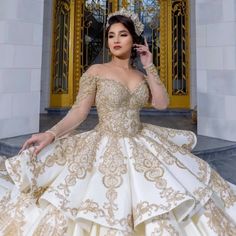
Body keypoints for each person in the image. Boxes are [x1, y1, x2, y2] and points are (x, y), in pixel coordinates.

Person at [0, 8, 235, 236]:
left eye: (123, 34)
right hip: (105, 143)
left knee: (155, 198)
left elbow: (162, 103)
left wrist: (149, 64)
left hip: (141, 141)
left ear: (134, 39)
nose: (115, 40)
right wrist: (50, 133)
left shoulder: (143, 76)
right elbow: (79, 112)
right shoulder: (97, 71)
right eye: (111, 35)